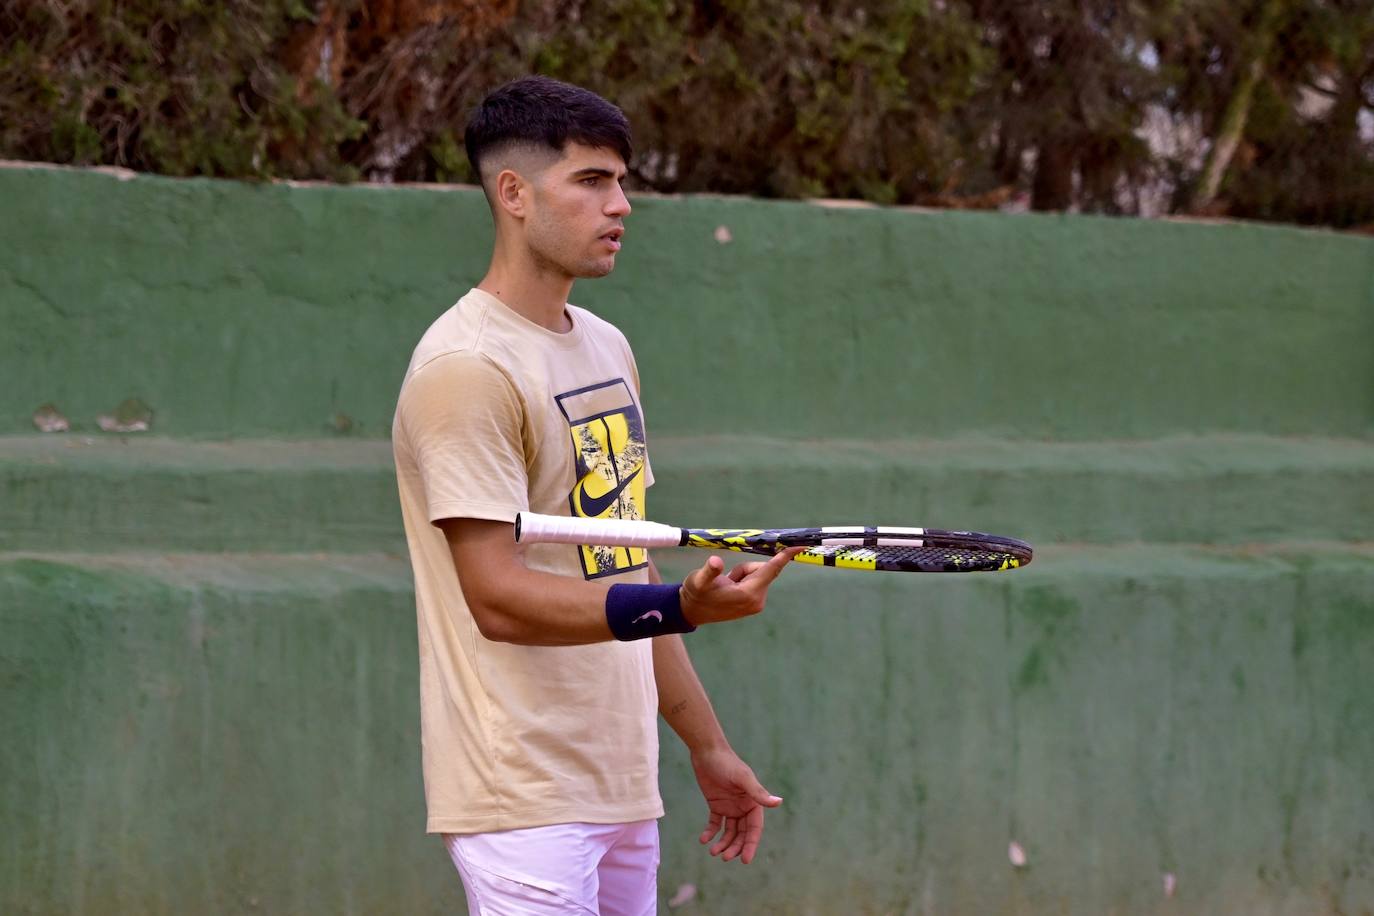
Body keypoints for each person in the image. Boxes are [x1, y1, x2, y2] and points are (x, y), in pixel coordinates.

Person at [391, 75, 803, 915]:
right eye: (591, 180)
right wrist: (677, 609)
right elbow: (497, 598)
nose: (620, 204)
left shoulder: (608, 349)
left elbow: (616, 564)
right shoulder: (466, 370)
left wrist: (706, 745)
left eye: (622, 181)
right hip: (522, 791)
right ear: (513, 192)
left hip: (620, 786)